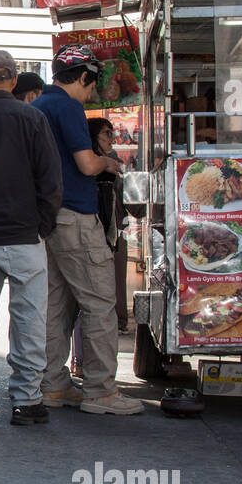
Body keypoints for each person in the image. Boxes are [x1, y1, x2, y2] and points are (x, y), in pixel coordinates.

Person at [32, 44, 142, 415]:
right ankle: (101, 391)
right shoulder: (69, 107)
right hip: (76, 218)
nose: (92, 91)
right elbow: (84, 164)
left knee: (55, 305)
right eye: (92, 84)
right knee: (99, 303)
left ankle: (53, 385)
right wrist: (108, 163)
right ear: (82, 77)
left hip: (46, 219)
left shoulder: (37, 106)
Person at [0, 50, 62, 427]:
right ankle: (26, 398)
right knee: (29, 320)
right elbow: (50, 180)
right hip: (24, 236)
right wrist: (43, 227)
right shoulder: (32, 117)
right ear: (15, 81)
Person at [89, 116, 130, 332]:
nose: (111, 140)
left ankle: (117, 323)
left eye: (113, 135)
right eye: (107, 135)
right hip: (101, 238)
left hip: (114, 237)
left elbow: (134, 207)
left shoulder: (113, 165)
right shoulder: (93, 168)